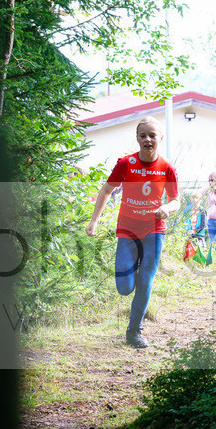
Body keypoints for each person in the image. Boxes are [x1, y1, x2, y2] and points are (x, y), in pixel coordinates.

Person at [86, 116, 179, 348]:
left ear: (160, 138)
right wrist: (94, 221)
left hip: (154, 231)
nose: (147, 139)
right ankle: (134, 275)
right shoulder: (126, 163)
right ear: (137, 138)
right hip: (127, 230)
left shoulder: (167, 168)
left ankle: (134, 331)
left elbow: (176, 199)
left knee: (145, 281)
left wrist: (166, 208)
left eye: (152, 135)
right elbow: (107, 189)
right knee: (125, 287)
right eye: (143, 135)